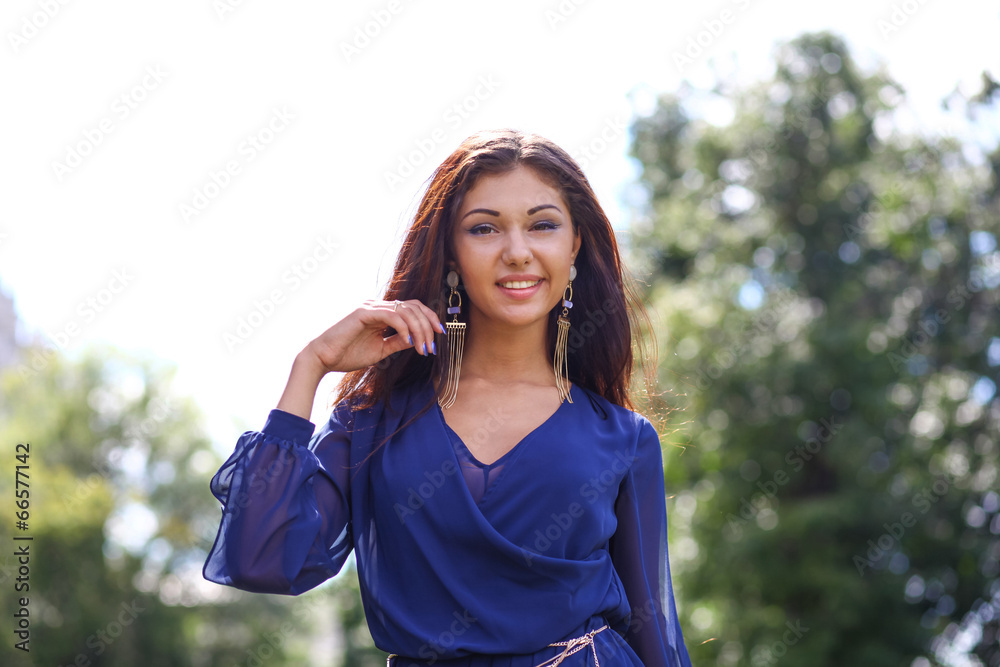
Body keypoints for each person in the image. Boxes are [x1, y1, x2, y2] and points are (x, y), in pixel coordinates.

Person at [203, 128, 693, 666]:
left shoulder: (622, 437)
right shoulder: (373, 421)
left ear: (573, 246)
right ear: (451, 254)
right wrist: (311, 364)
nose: (517, 251)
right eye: (484, 228)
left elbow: (652, 626)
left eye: (543, 225)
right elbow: (260, 557)